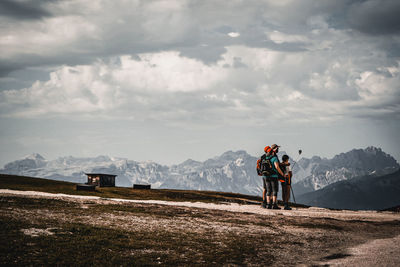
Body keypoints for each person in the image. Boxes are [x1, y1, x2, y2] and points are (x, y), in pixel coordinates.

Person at [263, 144, 286, 209]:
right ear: (273, 151)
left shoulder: (265, 158)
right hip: (273, 176)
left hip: (266, 176)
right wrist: (282, 174)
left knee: (268, 190)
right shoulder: (274, 158)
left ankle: (268, 204)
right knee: (274, 190)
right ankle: (274, 204)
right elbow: (277, 167)